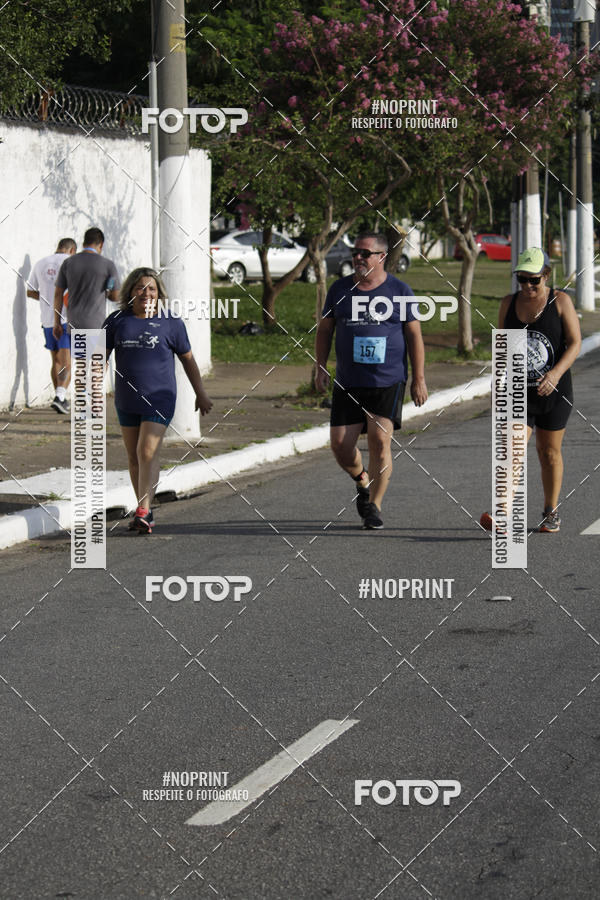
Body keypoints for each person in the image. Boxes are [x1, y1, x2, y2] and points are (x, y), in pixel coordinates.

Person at [315, 232, 428, 530]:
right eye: (356, 252)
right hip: (349, 381)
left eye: (365, 253)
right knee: (340, 445)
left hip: (387, 380)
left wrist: (419, 379)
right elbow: (325, 330)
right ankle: (362, 479)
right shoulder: (340, 289)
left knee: (380, 440)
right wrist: (320, 366)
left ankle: (374, 506)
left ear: (381, 257)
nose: (359, 258)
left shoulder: (399, 290)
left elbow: (414, 336)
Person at [103, 268, 213, 534]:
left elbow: (188, 360)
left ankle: (142, 510)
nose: (146, 293)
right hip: (127, 400)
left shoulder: (171, 323)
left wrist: (201, 393)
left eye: (151, 289)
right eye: (140, 288)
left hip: (160, 397)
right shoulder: (116, 321)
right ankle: (146, 510)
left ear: (160, 294)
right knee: (133, 457)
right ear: (130, 292)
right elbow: (100, 358)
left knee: (146, 452)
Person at [481, 247, 581, 534]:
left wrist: (555, 373)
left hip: (555, 392)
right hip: (518, 392)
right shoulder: (508, 304)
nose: (526, 286)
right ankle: (502, 513)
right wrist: (497, 381)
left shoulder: (560, 301)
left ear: (546, 275)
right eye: (521, 279)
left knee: (548, 452)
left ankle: (551, 510)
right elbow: (501, 348)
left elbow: (575, 343)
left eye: (533, 280)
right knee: (512, 449)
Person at [27, 238, 77, 414]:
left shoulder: (40, 263)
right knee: (66, 362)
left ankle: (60, 400)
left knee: (55, 360)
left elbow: (30, 291)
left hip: (47, 320)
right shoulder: (71, 262)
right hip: (65, 318)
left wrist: (46, 298)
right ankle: (60, 397)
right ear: (72, 250)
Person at [53, 226, 120, 337]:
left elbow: (58, 294)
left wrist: (57, 323)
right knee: (97, 355)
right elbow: (116, 296)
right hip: (97, 325)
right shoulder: (108, 265)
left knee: (80, 355)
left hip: (75, 325)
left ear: (84, 242)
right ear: (101, 244)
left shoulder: (68, 263)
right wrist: (106, 292)